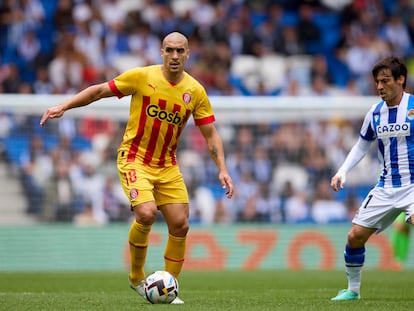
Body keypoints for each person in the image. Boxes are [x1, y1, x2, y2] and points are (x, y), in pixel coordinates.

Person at [40, 31, 234, 304]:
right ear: (161, 52)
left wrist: (222, 169)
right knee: (146, 212)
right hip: (134, 158)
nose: (175, 56)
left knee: (180, 225)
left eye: (180, 51)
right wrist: (64, 105)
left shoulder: (195, 91)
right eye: (170, 50)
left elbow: (211, 134)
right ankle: (136, 277)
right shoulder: (142, 77)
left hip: (167, 165)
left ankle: (169, 287)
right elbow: (98, 91)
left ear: (188, 54)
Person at [330, 56, 414, 301]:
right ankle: (353, 290)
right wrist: (343, 170)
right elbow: (361, 146)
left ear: (401, 80)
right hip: (386, 186)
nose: (379, 86)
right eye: (377, 81)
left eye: (385, 81)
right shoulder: (375, 113)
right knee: (354, 237)